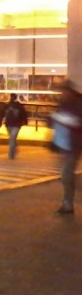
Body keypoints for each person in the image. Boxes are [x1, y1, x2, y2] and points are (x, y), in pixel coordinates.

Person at [51, 81, 82, 215]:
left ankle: (67, 205)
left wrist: (57, 118)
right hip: (63, 143)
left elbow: (76, 122)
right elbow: (55, 123)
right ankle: (67, 203)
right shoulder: (64, 103)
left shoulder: (78, 103)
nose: (61, 94)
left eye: (63, 91)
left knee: (66, 175)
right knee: (66, 176)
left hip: (73, 145)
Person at [0, 93, 28, 159]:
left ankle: (11, 154)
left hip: (15, 124)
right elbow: (2, 114)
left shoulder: (18, 106)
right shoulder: (8, 105)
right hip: (10, 124)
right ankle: (14, 147)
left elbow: (24, 114)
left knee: (12, 137)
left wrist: (25, 121)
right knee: (12, 138)